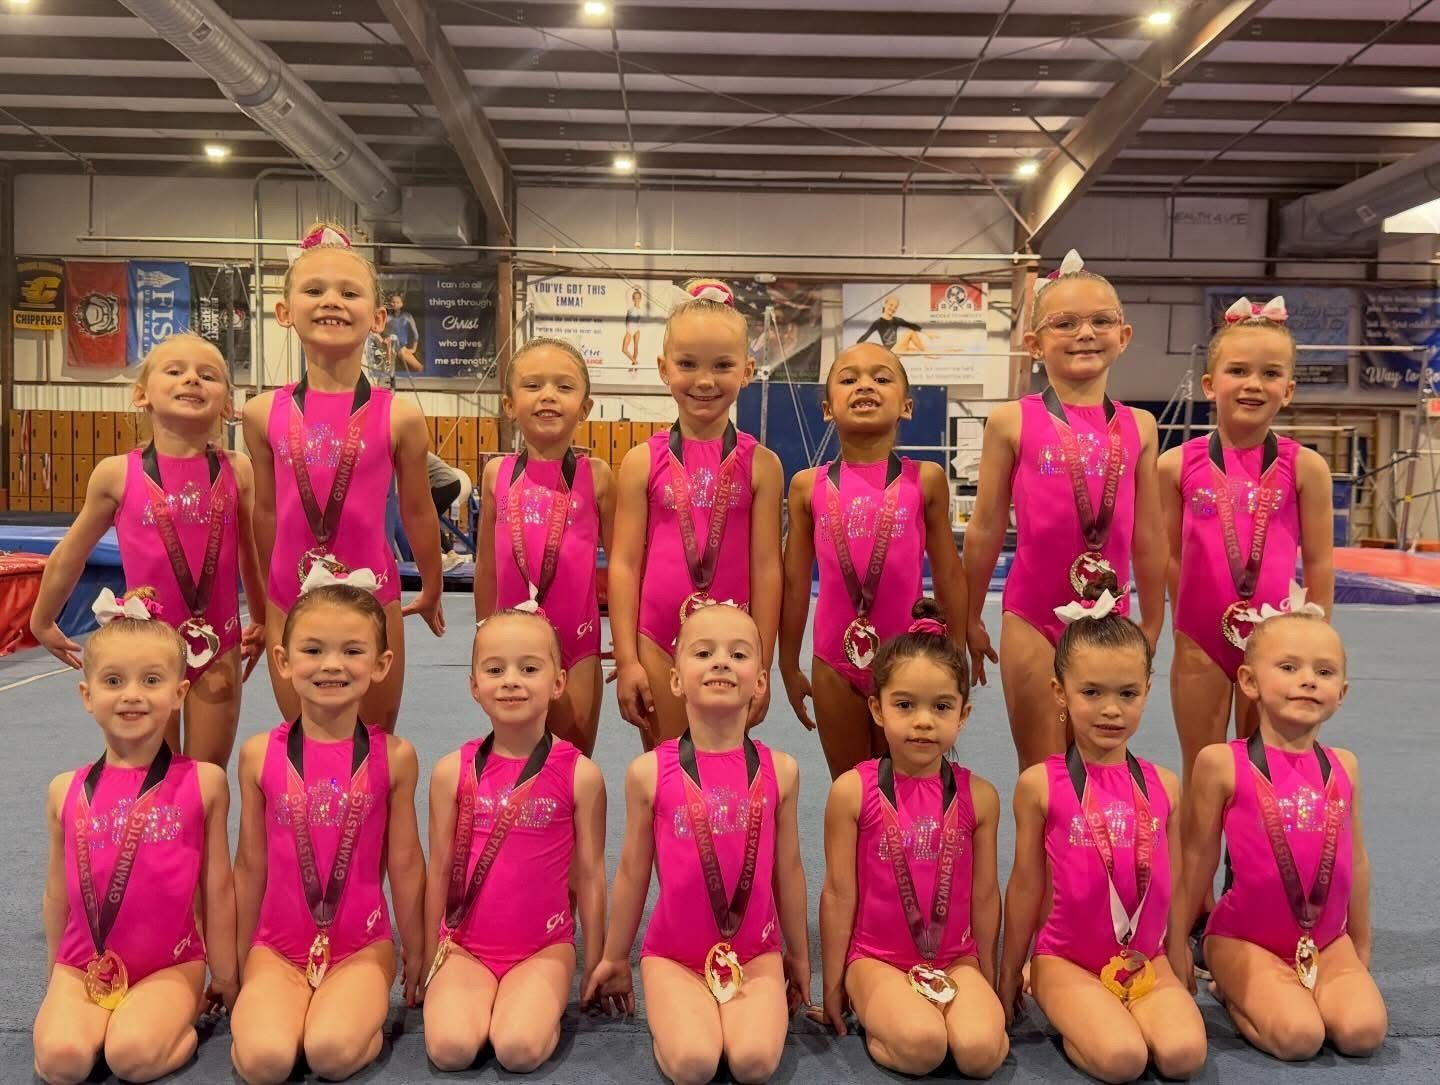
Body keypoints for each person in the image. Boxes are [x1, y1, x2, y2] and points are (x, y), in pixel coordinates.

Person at [584, 604, 810, 1085]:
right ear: (676, 680)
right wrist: (614, 955)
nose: (721, 662)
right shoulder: (649, 773)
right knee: (694, 1063)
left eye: (738, 654)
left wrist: (799, 955)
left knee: (754, 1063)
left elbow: (788, 871)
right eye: (703, 652)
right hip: (675, 955)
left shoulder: (782, 772)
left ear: (761, 682)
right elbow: (631, 873)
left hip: (756, 952)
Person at [999, 573, 1206, 1083]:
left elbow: (1173, 883)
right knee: (1122, 1060)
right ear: (1060, 692)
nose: (1111, 709)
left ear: (1147, 691)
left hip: (1144, 958)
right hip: (1066, 959)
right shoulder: (1039, 785)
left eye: (1127, 693)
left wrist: (1176, 954)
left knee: (1183, 1057)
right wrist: (1008, 972)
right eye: (1091, 692)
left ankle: (1122, 1012)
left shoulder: (1165, 784)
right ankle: (1075, 1011)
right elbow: (1025, 885)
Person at [963, 249, 1166, 769]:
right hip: (1032, 615)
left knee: (1102, 763)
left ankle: (1090, 854)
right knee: (1042, 769)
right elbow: (985, 529)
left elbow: (1148, 533)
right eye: (1065, 322)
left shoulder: (1140, 426)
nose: (1085, 333)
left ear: (1124, 337)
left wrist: (1155, 617)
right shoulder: (1010, 422)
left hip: (1111, 613)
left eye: (1101, 321)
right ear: (1034, 344)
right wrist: (967, 614)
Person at [242, 222, 445, 733]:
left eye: (348, 292)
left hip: (374, 595)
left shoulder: (399, 416)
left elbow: (419, 510)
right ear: (284, 312)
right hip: (290, 595)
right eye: (314, 290)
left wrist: (434, 584)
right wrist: (265, 602)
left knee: (373, 745)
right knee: (303, 745)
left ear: (378, 318)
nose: (331, 300)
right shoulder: (262, 412)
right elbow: (265, 511)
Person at [30, 332, 267, 766]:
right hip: (146, 647)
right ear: (142, 395)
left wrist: (264, 619)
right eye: (175, 372)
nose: (192, 380)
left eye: (207, 375)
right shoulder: (117, 473)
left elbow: (251, 553)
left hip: (219, 642)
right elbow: (71, 553)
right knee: (155, 775)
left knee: (207, 775)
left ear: (228, 405)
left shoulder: (240, 470)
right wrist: (42, 619)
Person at [228, 584, 426, 1085]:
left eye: (352, 651)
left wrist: (418, 950)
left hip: (361, 945)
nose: (331, 665)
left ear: (381, 664)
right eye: (313, 650)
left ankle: (353, 1018)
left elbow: (404, 863)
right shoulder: (258, 755)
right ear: (283, 659)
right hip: (276, 946)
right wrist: (233, 961)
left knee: (331, 1054)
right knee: (264, 1063)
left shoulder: (395, 756)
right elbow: (250, 865)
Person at [1171, 612, 1386, 1061]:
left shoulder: (1344, 766)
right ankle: (1233, 995)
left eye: (1323, 672)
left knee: (1363, 1033)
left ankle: (1291, 993)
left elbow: (1357, 862)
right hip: (1244, 939)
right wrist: (1174, 946)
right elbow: (1196, 861)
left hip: (1326, 940)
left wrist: (1359, 944)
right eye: (1288, 668)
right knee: (1298, 1037)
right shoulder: (1221, 764)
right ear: (1248, 681)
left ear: (1341, 694)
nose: (1307, 681)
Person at [33, 618, 237, 1085]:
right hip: (84, 961)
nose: (132, 695)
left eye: (151, 680)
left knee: (133, 1057)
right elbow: (57, 895)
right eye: (112, 681)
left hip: (168, 963)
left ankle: (171, 1027)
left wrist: (224, 973)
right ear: (88, 696)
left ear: (179, 694)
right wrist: (56, 976)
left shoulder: (204, 783)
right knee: (61, 1063)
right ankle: (100, 1018)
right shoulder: (65, 790)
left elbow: (219, 887)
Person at [818, 600, 1007, 1078]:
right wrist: (835, 982)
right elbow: (840, 894)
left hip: (955, 957)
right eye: (905, 705)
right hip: (876, 959)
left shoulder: (980, 797)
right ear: (877, 708)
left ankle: (937, 1013)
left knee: (981, 1052)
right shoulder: (851, 792)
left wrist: (986, 972)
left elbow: (984, 895)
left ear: (962, 714)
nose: (923, 721)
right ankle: (886, 1017)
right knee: (923, 1047)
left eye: (940, 706)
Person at [422, 610, 607, 1072]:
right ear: (473, 685)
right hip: (465, 943)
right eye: (494, 669)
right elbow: (439, 870)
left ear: (558, 682)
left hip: (543, 948)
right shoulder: (451, 772)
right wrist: (429, 954)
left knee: (518, 1049)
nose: (511, 681)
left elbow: (590, 874)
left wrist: (599, 962)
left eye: (529, 668)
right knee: (450, 1050)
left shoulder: (580, 774)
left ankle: (533, 1010)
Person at [780, 343, 966, 779]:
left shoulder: (927, 480)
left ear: (907, 405)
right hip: (832, 660)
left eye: (882, 378)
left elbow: (949, 574)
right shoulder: (807, 486)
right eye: (849, 379)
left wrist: (957, 648)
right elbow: (792, 585)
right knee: (849, 790)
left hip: (911, 657)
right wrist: (788, 663)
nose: (865, 385)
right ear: (828, 408)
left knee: (908, 785)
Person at [1161, 295, 1334, 762]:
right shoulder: (1175, 466)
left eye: (1271, 374)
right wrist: (1185, 626)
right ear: (1209, 384)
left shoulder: (1307, 468)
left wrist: (1314, 646)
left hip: (1278, 643)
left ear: (1290, 389)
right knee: (1202, 769)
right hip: (1200, 638)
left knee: (1269, 769)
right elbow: (1171, 558)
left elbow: (1318, 562)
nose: (1253, 385)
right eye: (1238, 371)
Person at [610, 285, 784, 746]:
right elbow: (625, 565)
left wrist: (762, 658)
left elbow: (767, 568)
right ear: (664, 368)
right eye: (687, 364)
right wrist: (626, 659)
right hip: (656, 637)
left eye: (722, 365)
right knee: (664, 767)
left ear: (746, 371)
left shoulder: (763, 464)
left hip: (734, 642)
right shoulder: (640, 462)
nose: (704, 380)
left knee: (724, 762)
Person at [475, 338, 614, 755]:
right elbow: (485, 565)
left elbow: (626, 567)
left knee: (571, 761)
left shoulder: (598, 476)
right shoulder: (496, 474)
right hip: (511, 643)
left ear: (585, 408)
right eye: (533, 385)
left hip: (579, 643)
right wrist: (485, 637)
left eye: (564, 387)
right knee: (514, 753)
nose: (548, 396)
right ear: (509, 404)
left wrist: (625, 649)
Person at [858, 296, 926, 354]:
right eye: (891, 305)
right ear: (885, 304)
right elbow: (865, 336)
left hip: (895, 348)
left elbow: (911, 325)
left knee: (914, 350)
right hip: (889, 352)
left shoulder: (897, 320)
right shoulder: (878, 323)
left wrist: (927, 333)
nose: (893, 308)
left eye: (895, 307)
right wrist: (855, 348)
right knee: (910, 333)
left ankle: (927, 354)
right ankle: (926, 353)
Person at [384, 290, 422, 373]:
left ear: (401, 304)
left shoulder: (407, 316)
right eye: (393, 302)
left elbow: (415, 334)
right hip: (391, 347)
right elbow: (380, 331)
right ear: (390, 304)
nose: (395, 304)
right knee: (389, 370)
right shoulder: (387, 318)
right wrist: (382, 340)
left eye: (397, 302)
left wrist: (413, 349)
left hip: (403, 348)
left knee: (419, 368)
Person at [624, 288, 644, 371]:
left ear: (640, 299)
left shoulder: (641, 311)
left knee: (636, 347)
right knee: (624, 349)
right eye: (635, 298)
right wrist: (633, 289)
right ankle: (635, 362)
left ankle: (633, 366)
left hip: (636, 329)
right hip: (630, 329)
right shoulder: (630, 308)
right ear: (633, 299)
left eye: (638, 298)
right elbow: (627, 294)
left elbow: (639, 322)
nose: (637, 300)